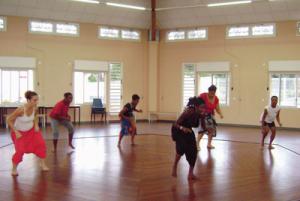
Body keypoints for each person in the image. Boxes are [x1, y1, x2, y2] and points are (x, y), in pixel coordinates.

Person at [7, 91, 49, 176]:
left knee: (41, 144)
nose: (37, 102)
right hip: (19, 133)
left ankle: (42, 164)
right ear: (28, 100)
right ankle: (14, 169)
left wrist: (36, 125)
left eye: (37, 100)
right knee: (20, 150)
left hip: (31, 131)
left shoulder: (35, 108)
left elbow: (35, 116)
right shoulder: (21, 110)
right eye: (34, 100)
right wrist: (16, 131)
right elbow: (9, 120)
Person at [171, 97, 206, 180]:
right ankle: (175, 166)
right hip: (179, 130)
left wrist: (203, 119)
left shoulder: (200, 114)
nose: (203, 109)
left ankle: (191, 174)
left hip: (189, 131)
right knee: (181, 149)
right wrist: (182, 128)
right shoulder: (188, 111)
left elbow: (203, 127)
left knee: (193, 152)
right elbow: (175, 124)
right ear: (196, 107)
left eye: (204, 107)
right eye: (201, 107)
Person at [197, 85, 223, 149]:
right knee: (202, 130)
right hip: (203, 116)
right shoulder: (203, 96)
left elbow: (217, 108)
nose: (212, 94)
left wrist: (220, 114)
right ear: (208, 91)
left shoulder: (216, 98)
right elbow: (197, 104)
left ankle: (209, 144)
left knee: (211, 130)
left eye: (213, 93)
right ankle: (197, 144)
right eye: (211, 93)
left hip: (211, 116)